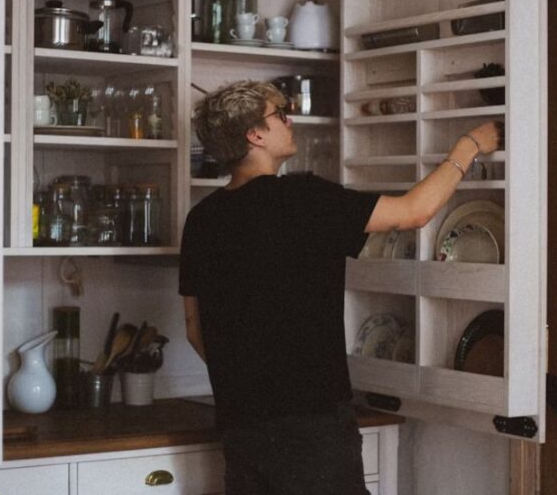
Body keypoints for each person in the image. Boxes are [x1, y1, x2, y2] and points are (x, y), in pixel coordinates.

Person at [180, 81, 500, 494]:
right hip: (314, 426)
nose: (289, 119)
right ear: (254, 134)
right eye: (280, 113)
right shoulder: (302, 199)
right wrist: (469, 146)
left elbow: (193, 327)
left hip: (241, 425)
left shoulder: (202, 219)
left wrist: (249, 383)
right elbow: (414, 212)